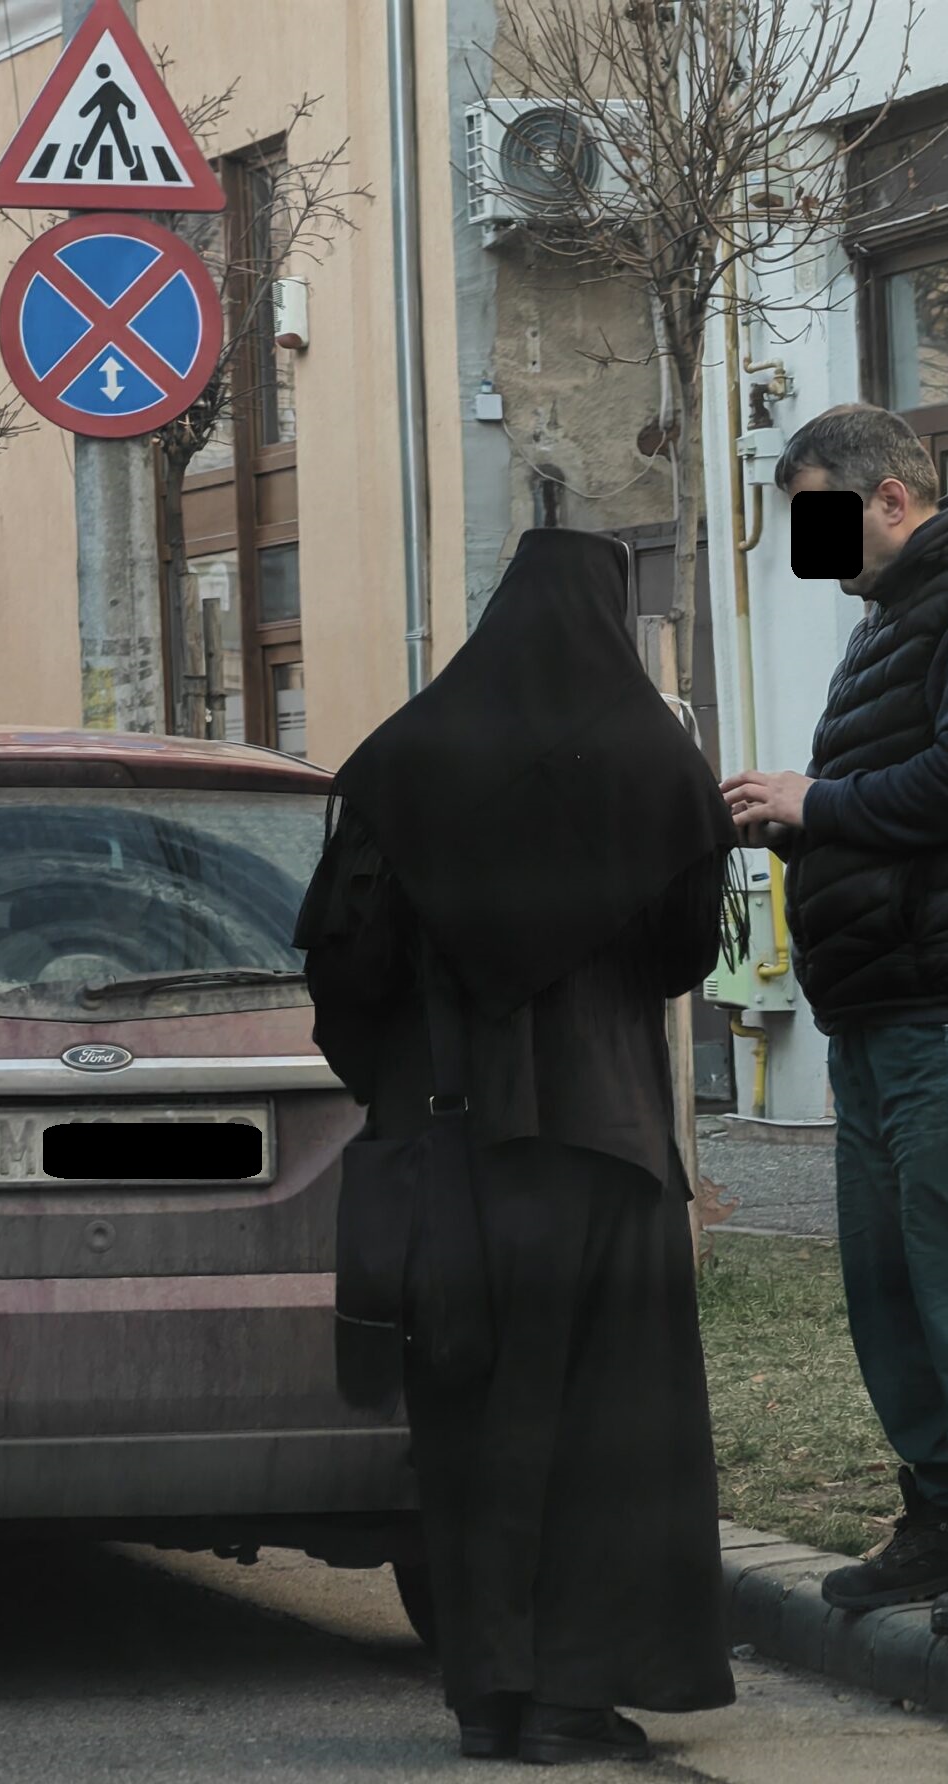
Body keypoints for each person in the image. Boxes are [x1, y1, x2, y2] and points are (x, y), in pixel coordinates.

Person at [295, 528, 740, 1766]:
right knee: (610, 1430)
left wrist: (400, 1078)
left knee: (468, 1422)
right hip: (605, 1149)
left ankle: (488, 1690)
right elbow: (684, 956)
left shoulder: (406, 758)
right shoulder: (657, 755)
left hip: (449, 1151)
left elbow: (345, 967)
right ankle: (574, 1696)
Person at [721, 404, 948, 1638]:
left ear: (892, 498)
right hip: (881, 1000)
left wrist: (816, 801)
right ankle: (942, 1512)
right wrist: (801, 818)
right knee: (891, 1281)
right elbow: (905, 789)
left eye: (821, 512)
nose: (808, 543)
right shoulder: (895, 621)